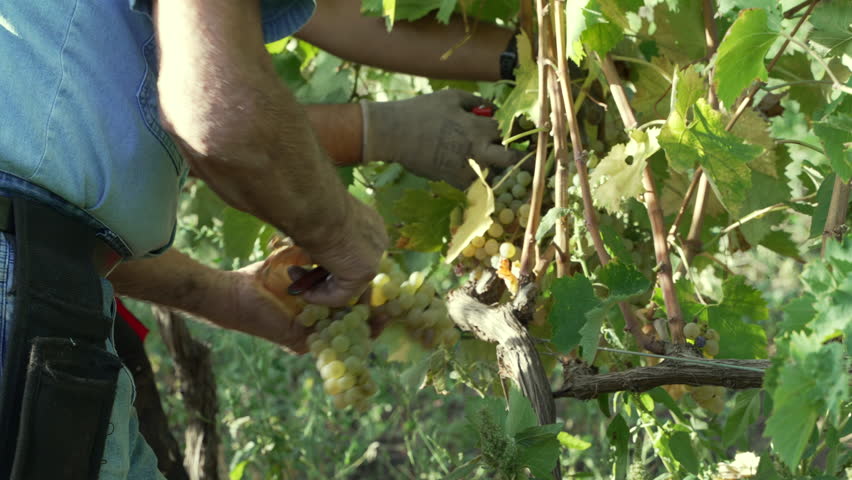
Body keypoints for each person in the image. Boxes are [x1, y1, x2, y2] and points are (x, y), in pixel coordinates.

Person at [0, 1, 519, 478]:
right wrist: (342, 227)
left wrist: (223, 295)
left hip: (45, 286)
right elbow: (217, 107)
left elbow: (40, 206)